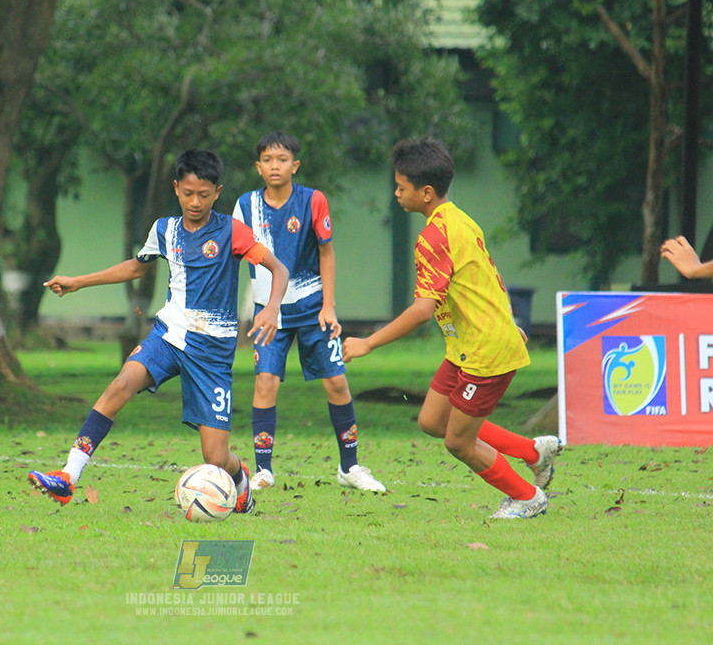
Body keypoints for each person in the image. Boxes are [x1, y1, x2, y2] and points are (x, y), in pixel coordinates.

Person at [28, 149, 289, 514]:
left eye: (203, 194)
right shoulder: (164, 230)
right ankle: (68, 476)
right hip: (168, 335)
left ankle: (240, 478)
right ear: (176, 188)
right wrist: (78, 282)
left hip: (213, 351)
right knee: (121, 384)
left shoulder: (232, 231)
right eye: (187, 193)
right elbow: (137, 268)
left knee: (215, 456)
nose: (194, 202)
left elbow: (279, 270)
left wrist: (273, 307)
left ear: (217, 192)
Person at [342, 136, 562, 519]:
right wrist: (508, 319)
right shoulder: (459, 218)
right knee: (432, 420)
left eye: (401, 187)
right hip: (467, 347)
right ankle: (532, 452)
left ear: (425, 192)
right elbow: (489, 274)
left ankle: (527, 497)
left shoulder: (433, 236)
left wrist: (369, 343)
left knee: (458, 442)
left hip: (484, 353)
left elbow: (423, 310)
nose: (395, 193)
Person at [232, 132, 385, 493]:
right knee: (265, 382)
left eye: (282, 159)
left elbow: (326, 253)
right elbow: (233, 254)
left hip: (313, 308)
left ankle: (350, 466)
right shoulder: (245, 206)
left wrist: (329, 306)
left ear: (294, 165)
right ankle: (263, 470)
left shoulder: (313, 200)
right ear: (258, 167)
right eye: (267, 159)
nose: (274, 165)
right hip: (268, 314)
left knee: (336, 381)